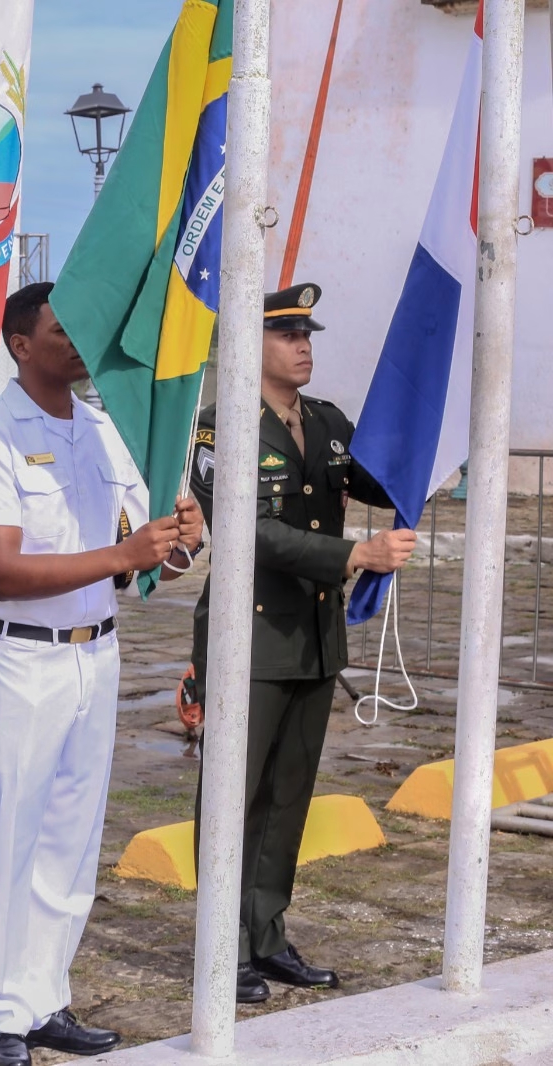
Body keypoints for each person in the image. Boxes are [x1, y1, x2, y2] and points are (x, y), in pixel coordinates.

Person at [0, 283, 202, 1066]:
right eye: (62, 330)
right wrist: (124, 555)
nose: (80, 343)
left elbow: (148, 552)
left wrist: (185, 535)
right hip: (21, 654)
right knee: (10, 835)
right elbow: (1, 567)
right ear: (20, 344)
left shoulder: (103, 429)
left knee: (70, 839)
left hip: (96, 652)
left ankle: (44, 997)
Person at [188, 283, 416, 1004]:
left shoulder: (325, 422)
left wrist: (428, 441)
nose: (304, 345)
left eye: (307, 333)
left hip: (313, 639)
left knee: (288, 797)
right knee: (235, 796)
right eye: (288, 334)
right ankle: (220, 946)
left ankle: (266, 934)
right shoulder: (219, 428)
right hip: (248, 635)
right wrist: (356, 556)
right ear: (250, 345)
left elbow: (381, 481)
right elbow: (248, 531)